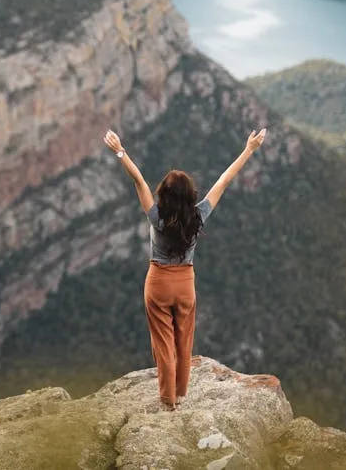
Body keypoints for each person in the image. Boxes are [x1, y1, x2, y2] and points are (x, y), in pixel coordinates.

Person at [103, 127, 268, 411]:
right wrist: (249, 149)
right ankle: (180, 393)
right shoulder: (199, 215)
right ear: (191, 195)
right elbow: (224, 180)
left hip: (158, 283)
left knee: (163, 342)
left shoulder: (157, 217)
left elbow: (138, 180)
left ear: (164, 195)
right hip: (185, 285)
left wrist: (120, 151)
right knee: (184, 339)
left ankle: (167, 399)